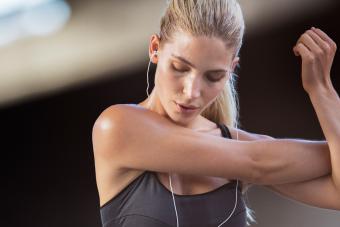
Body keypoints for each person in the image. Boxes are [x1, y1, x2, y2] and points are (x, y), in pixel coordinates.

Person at [92, 0, 339, 226]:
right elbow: (257, 163)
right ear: (155, 48)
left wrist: (322, 90)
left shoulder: (237, 146)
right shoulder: (116, 126)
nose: (191, 92)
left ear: (231, 70)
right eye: (179, 67)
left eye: (213, 76)